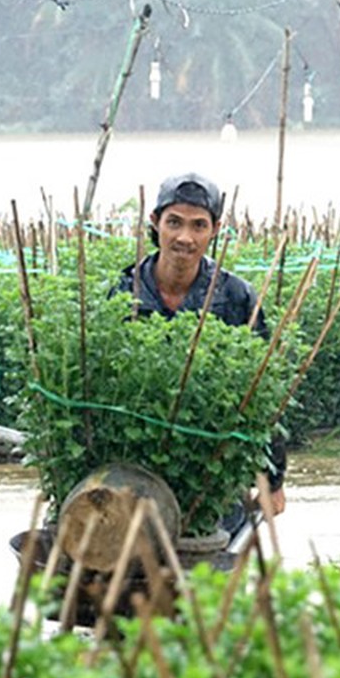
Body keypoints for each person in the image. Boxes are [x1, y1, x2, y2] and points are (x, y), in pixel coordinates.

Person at [111, 171, 287, 517]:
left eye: (198, 226)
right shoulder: (124, 293)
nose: (185, 238)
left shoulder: (235, 297)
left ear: (216, 229)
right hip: (138, 466)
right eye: (174, 223)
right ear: (155, 222)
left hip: (212, 471)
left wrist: (273, 479)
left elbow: (264, 394)